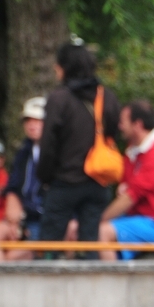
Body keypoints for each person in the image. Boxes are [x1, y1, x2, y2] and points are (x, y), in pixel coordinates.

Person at [38, 43, 120, 254]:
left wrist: (45, 177)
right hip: (98, 181)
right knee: (89, 244)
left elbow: (48, 144)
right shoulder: (107, 96)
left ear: (65, 68)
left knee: (49, 244)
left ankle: (48, 273)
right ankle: (89, 272)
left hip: (64, 181)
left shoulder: (59, 99)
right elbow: (112, 134)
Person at [98, 100, 154, 261]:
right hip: (139, 220)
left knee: (102, 231)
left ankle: (113, 278)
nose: (119, 126)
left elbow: (130, 197)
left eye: (123, 121)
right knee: (80, 229)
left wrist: (100, 219)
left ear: (137, 125)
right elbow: (125, 189)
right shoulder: (132, 152)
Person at [0, 97, 48, 261]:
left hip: (45, 222)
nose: (31, 124)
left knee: (11, 257)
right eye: (28, 120)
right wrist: (13, 218)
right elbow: (13, 186)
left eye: (38, 120)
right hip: (24, 219)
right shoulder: (23, 152)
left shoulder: (61, 153)